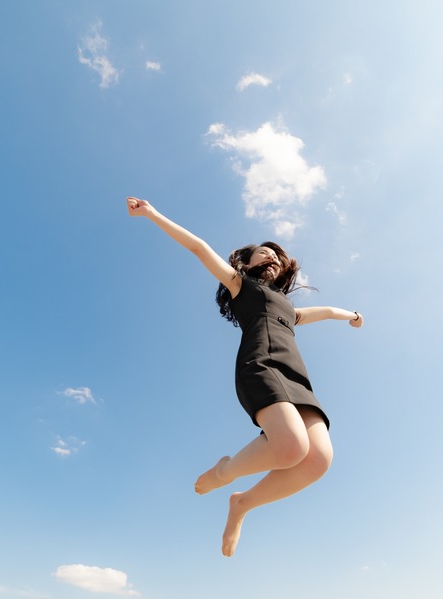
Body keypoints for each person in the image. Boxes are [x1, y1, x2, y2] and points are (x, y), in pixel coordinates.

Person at [126, 197, 364, 557]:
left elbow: (328, 310)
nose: (271, 257)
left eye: (276, 255)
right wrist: (152, 213)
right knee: (289, 447)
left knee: (318, 460)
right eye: (263, 253)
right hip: (260, 365)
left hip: (297, 376)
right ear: (246, 263)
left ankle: (242, 504)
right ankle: (225, 472)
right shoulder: (241, 286)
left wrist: (353, 315)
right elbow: (198, 248)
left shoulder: (290, 310)